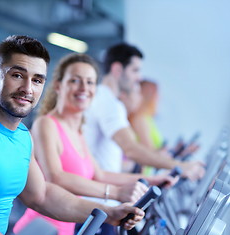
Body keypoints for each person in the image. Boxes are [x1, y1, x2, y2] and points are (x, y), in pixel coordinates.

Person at [0, 35, 145, 235]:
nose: (28, 88)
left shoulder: (22, 135)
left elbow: (42, 195)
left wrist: (108, 213)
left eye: (37, 80)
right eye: (17, 75)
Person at [13, 53, 175, 235]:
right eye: (75, 80)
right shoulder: (46, 124)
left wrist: (154, 180)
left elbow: (100, 175)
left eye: (90, 82)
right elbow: (56, 177)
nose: (84, 88)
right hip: (41, 232)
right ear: (58, 85)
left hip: (68, 231)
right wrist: (116, 193)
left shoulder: (78, 131)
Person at [83, 43, 205, 180]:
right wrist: (180, 166)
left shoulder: (100, 97)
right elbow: (131, 149)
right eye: (135, 70)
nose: (139, 78)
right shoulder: (109, 103)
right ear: (117, 69)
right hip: (101, 196)